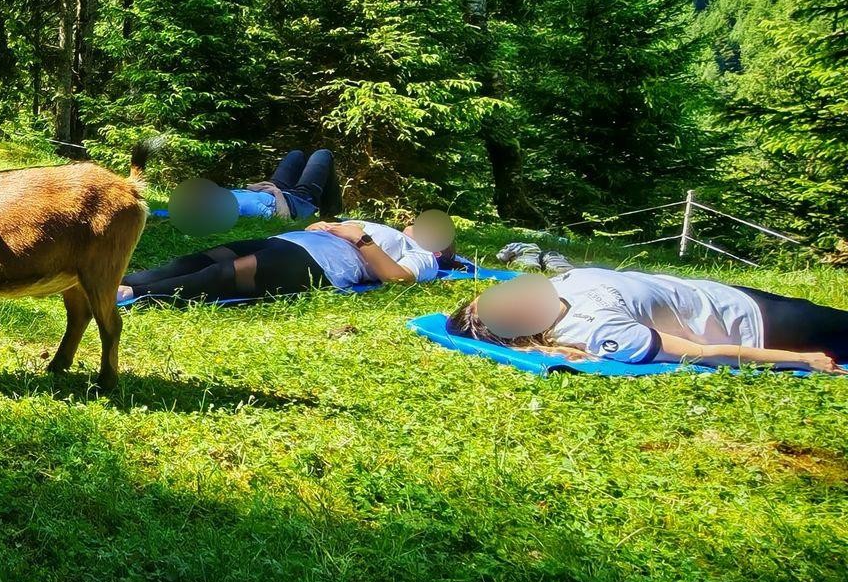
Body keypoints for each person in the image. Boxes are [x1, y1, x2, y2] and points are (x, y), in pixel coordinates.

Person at [447, 268, 847, 372]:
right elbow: (701, 354)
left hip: (726, 294)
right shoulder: (597, 331)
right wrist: (800, 359)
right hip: (758, 326)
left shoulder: (558, 284)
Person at [120, 217, 439, 304]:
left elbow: (399, 279)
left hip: (320, 264)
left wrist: (359, 238)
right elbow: (341, 228)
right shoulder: (383, 226)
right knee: (203, 258)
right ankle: (122, 281)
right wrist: (324, 225)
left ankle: (135, 295)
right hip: (289, 241)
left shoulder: (425, 255)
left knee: (227, 272)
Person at [232, 148, 339, 219]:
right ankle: (329, 213)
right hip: (295, 200)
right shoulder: (247, 207)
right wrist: (277, 192)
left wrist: (250, 187)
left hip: (270, 191)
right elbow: (283, 219)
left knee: (296, 155)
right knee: (323, 154)